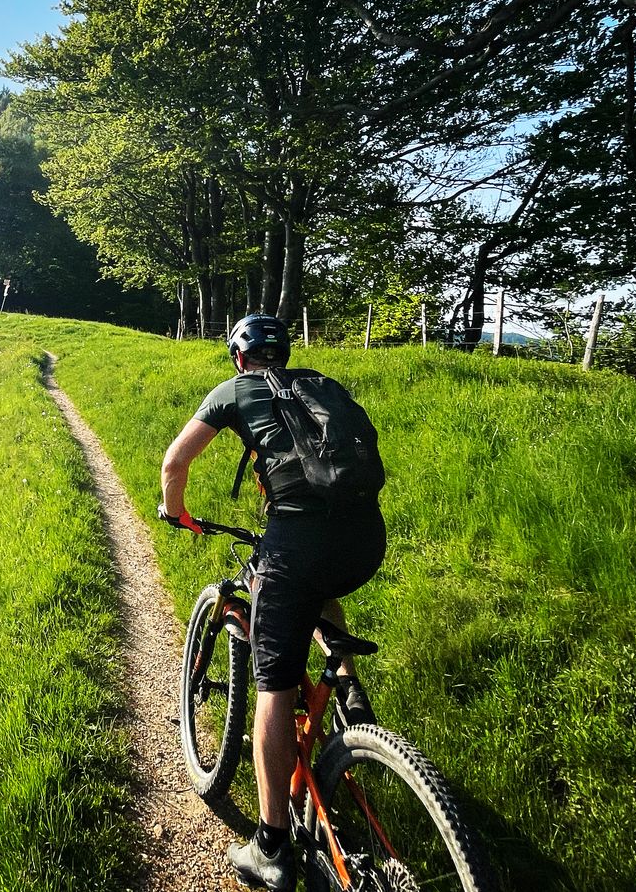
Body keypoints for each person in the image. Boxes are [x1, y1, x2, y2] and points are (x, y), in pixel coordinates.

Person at [158, 312, 387, 892]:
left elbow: (174, 462)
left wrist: (176, 511)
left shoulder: (234, 390)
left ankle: (271, 846)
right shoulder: (320, 384)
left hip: (297, 539)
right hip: (364, 538)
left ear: (239, 356)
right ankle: (346, 682)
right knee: (318, 590)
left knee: (273, 686)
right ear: (282, 353)